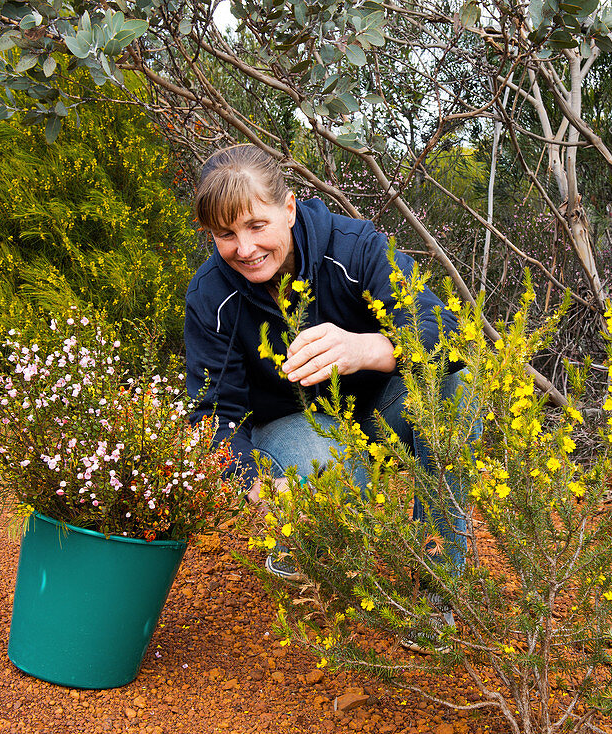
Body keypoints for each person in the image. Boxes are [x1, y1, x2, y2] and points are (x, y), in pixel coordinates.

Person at [183, 144, 473, 650]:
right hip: (294, 427)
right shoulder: (211, 295)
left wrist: (367, 347)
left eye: (256, 226)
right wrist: (254, 486)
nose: (244, 248)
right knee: (335, 481)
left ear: (289, 208)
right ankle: (307, 531)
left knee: (451, 391)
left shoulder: (355, 247)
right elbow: (214, 415)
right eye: (225, 234)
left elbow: (445, 330)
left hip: (382, 407)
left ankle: (439, 587)